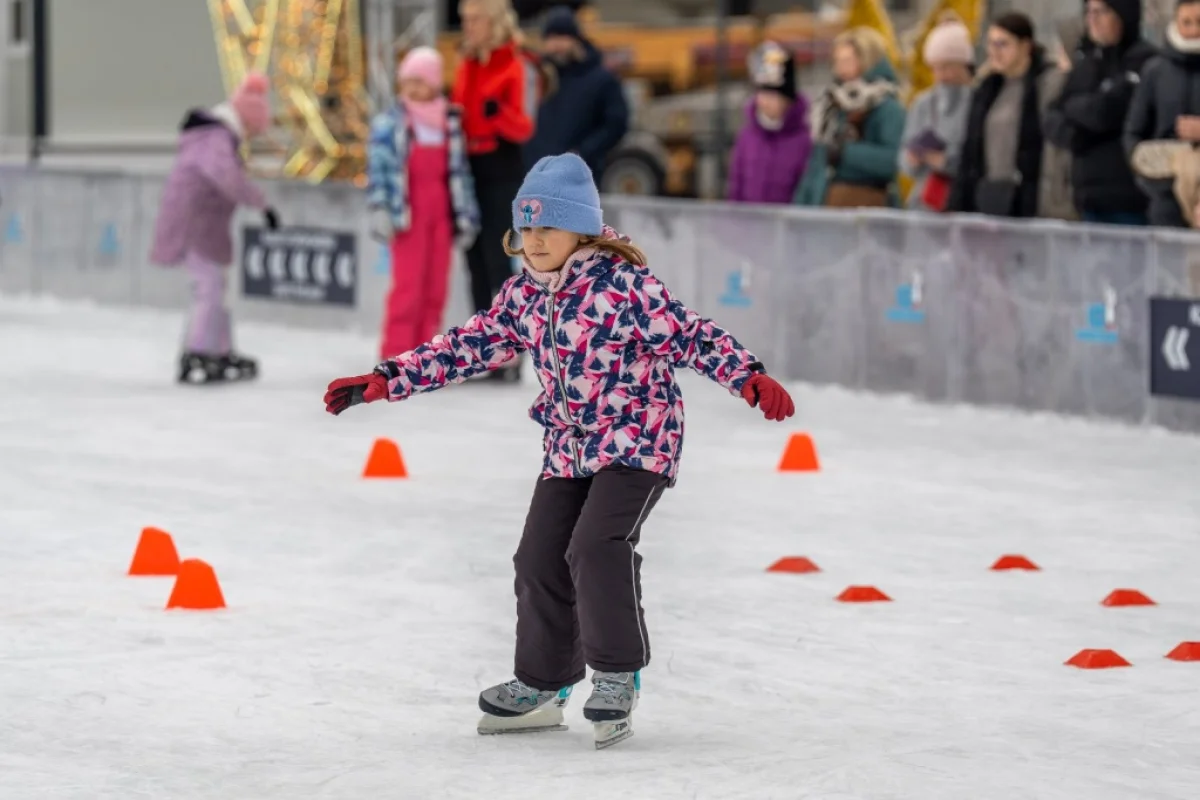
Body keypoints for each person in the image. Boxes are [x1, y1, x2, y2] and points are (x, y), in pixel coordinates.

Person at [322, 153, 795, 749]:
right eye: (526, 227)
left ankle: (617, 674)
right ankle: (544, 682)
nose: (535, 240)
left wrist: (747, 375)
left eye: (549, 226)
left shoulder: (624, 287)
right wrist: (387, 379)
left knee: (595, 546)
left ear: (583, 231)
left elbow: (692, 335)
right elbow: (467, 345)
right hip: (569, 448)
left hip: (639, 440)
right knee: (537, 557)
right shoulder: (524, 294)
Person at [149, 72, 278, 384]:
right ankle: (198, 350)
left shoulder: (215, 137)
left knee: (216, 287)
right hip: (194, 224)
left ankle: (217, 348)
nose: (251, 136)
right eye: (252, 129)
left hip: (205, 225)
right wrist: (262, 204)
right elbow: (226, 177)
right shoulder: (215, 138)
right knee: (208, 287)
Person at [367, 47, 480, 360]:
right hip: (408, 214)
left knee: (435, 287)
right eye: (407, 82)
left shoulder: (449, 122)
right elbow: (379, 168)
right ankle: (396, 354)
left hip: (441, 212)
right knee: (409, 286)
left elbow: (461, 173)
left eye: (419, 82)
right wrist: (380, 206)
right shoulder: (391, 123)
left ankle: (425, 357)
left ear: (434, 83)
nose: (412, 89)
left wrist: (467, 216)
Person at [452, 0, 545, 382]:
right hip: (467, 168)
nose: (468, 26)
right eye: (465, 20)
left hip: (501, 166)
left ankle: (509, 349)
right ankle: (484, 347)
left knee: (497, 256)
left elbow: (524, 127)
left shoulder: (517, 65)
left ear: (493, 22)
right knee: (473, 256)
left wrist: (496, 115)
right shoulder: (466, 63)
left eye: (475, 20)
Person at [1044, 0, 1158, 225]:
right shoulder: (1086, 63)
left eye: (1102, 11)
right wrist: (1076, 133)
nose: (1093, 19)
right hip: (1085, 197)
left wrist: (1074, 109)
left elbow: (1105, 111)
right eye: (1089, 12)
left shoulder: (1145, 61)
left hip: (1129, 197)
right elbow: (1052, 115)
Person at [948, 13, 1070, 218]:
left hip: (1029, 196)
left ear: (1025, 46)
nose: (994, 52)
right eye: (990, 44)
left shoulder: (1046, 84)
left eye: (1002, 44)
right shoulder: (987, 89)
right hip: (989, 195)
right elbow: (970, 150)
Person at [794, 27, 906, 208]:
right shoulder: (831, 106)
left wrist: (845, 152)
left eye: (847, 60)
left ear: (867, 61)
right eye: (837, 61)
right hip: (827, 202)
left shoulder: (886, 107)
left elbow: (893, 160)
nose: (840, 68)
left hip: (868, 206)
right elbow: (815, 167)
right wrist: (801, 206)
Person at [523, 5, 628, 183]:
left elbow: (616, 124)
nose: (557, 45)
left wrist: (581, 154)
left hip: (579, 179)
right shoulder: (537, 77)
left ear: (576, 40)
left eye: (563, 37)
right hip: (536, 177)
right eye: (551, 38)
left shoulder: (600, 79)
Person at [1125, 0, 1200, 228]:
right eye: (1186, 22)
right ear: (1175, 23)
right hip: (1165, 204)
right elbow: (1134, 134)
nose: (1194, 30)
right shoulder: (1155, 71)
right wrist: (1156, 185)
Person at [898, 15, 975, 212]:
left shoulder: (977, 102)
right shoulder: (922, 103)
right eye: (935, 68)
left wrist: (945, 161)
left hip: (963, 202)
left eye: (947, 67)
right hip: (924, 201)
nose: (941, 75)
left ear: (963, 64)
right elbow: (904, 154)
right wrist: (911, 159)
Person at [727, 41, 813, 204]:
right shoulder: (746, 136)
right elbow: (736, 185)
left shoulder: (804, 141)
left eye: (772, 96)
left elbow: (807, 190)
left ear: (787, 100)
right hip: (750, 218)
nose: (765, 102)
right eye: (761, 94)